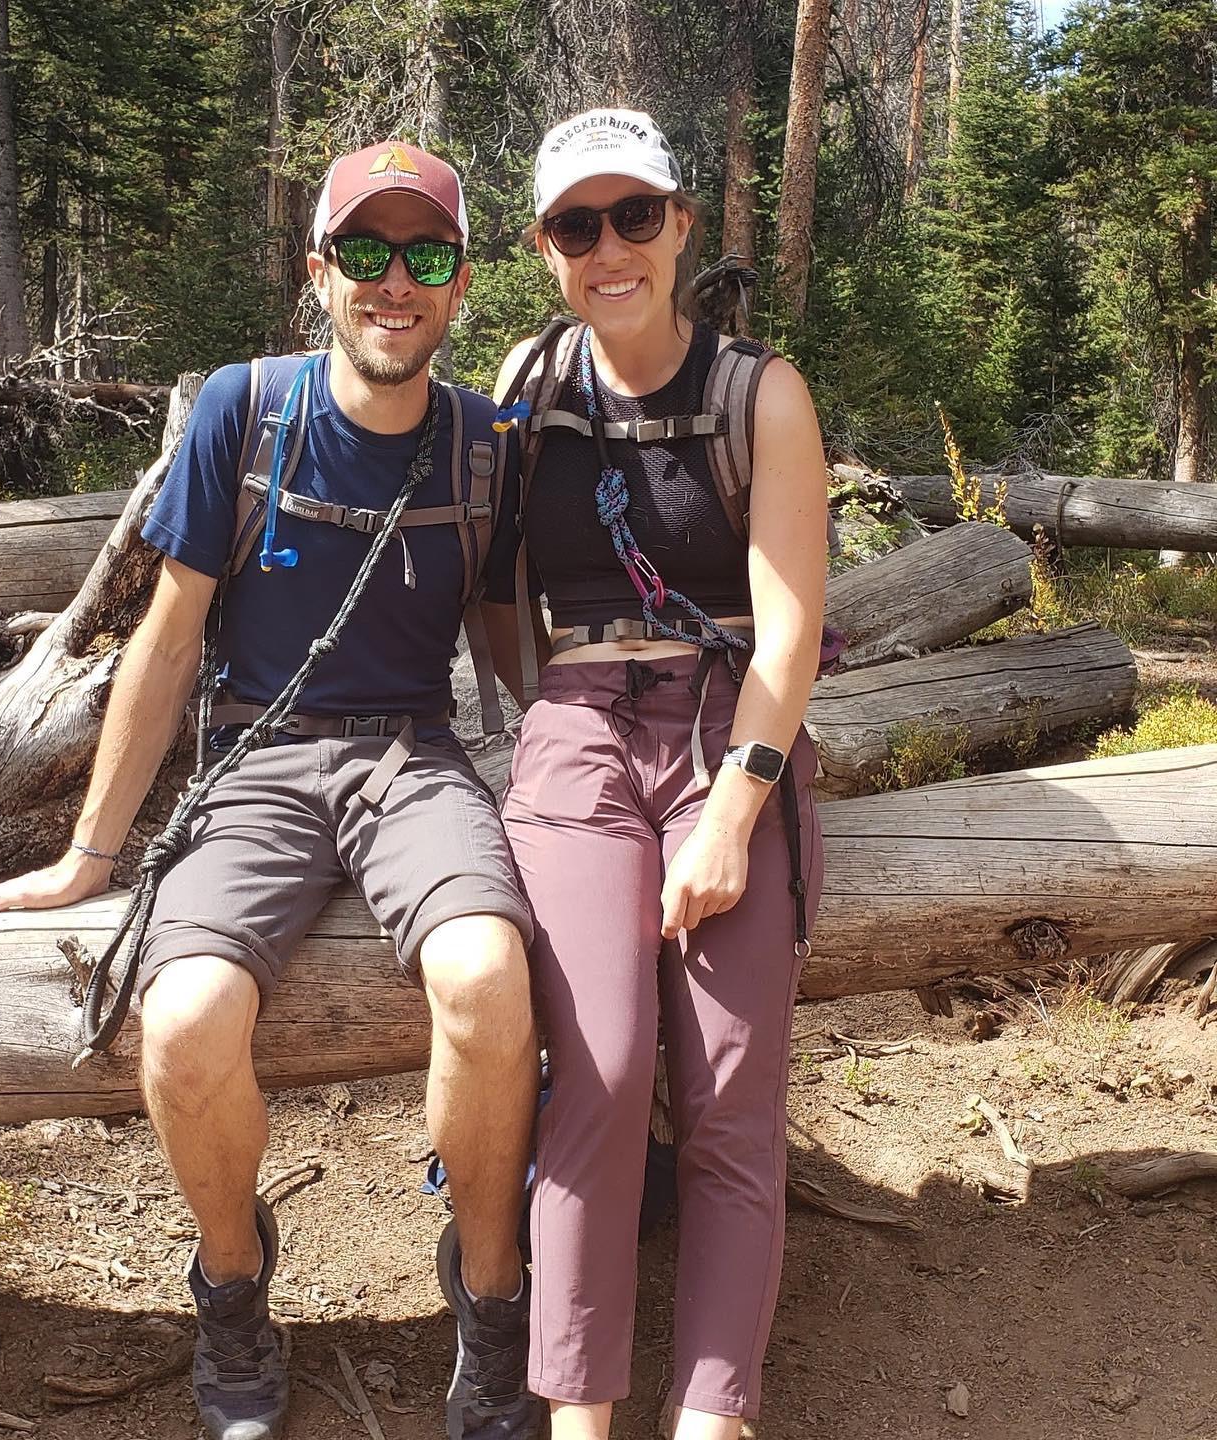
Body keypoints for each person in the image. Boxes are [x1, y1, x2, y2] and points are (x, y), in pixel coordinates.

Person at [0, 140, 544, 1440]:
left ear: (460, 284)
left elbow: (508, 640)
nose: (398, 282)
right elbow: (168, 641)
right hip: (257, 763)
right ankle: (232, 1279)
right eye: (368, 254)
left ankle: (492, 1296)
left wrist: (606, 750)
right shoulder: (243, 409)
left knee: (491, 984)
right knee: (183, 1024)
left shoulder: (485, 445)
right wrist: (90, 857)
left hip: (413, 756)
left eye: (428, 256)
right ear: (318, 270)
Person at [490, 109, 831, 1440]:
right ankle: (580, 1408)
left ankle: (714, 1413)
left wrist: (735, 816)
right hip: (577, 723)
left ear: (683, 225)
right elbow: (492, 590)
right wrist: (531, 719)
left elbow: (791, 622)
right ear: (547, 248)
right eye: (581, 224)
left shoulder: (762, 393)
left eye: (637, 215)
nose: (611, 247)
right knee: (606, 1066)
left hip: (727, 733)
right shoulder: (527, 385)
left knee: (734, 1090)